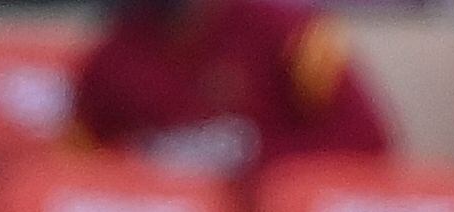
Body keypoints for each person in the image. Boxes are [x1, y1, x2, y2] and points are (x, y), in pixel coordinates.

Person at [72, 0, 390, 176]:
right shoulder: (110, 57)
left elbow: (369, 139)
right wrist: (145, 161)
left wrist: (251, 154)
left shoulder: (292, 33)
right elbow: (69, 170)